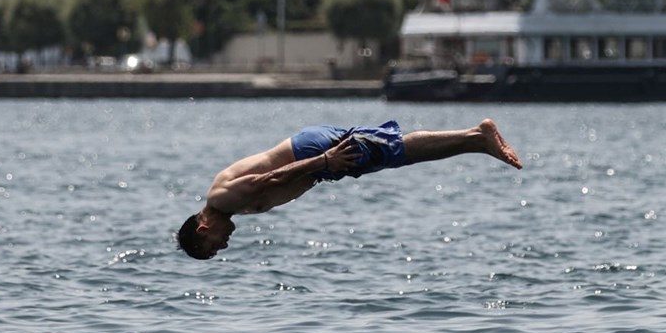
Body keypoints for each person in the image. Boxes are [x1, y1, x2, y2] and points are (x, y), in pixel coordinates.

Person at [176, 118, 522, 259]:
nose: (223, 245)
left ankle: (478, 135)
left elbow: (273, 178)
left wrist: (324, 161)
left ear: (203, 229)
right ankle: (477, 142)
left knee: (397, 150)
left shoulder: (221, 198)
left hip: (312, 154)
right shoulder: (228, 206)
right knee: (396, 155)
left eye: (213, 245)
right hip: (316, 162)